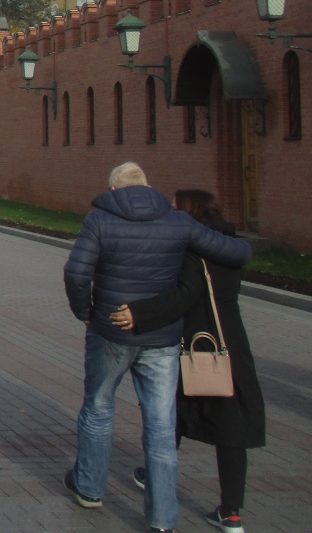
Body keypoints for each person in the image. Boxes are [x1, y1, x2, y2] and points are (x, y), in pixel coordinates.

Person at [62, 162, 253, 533]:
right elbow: (237, 252)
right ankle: (162, 519)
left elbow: (76, 272)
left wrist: (85, 312)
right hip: (162, 338)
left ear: (114, 190)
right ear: (147, 186)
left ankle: (89, 488)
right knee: (162, 425)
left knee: (99, 407)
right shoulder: (178, 222)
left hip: (110, 333)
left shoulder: (99, 220)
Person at [110, 190, 265, 533]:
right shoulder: (228, 245)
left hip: (197, 344)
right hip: (230, 344)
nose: (171, 212)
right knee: (226, 426)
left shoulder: (194, 251)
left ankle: (157, 475)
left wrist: (139, 313)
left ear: (189, 213)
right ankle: (230, 511)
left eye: (176, 207)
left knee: (172, 412)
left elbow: (184, 296)